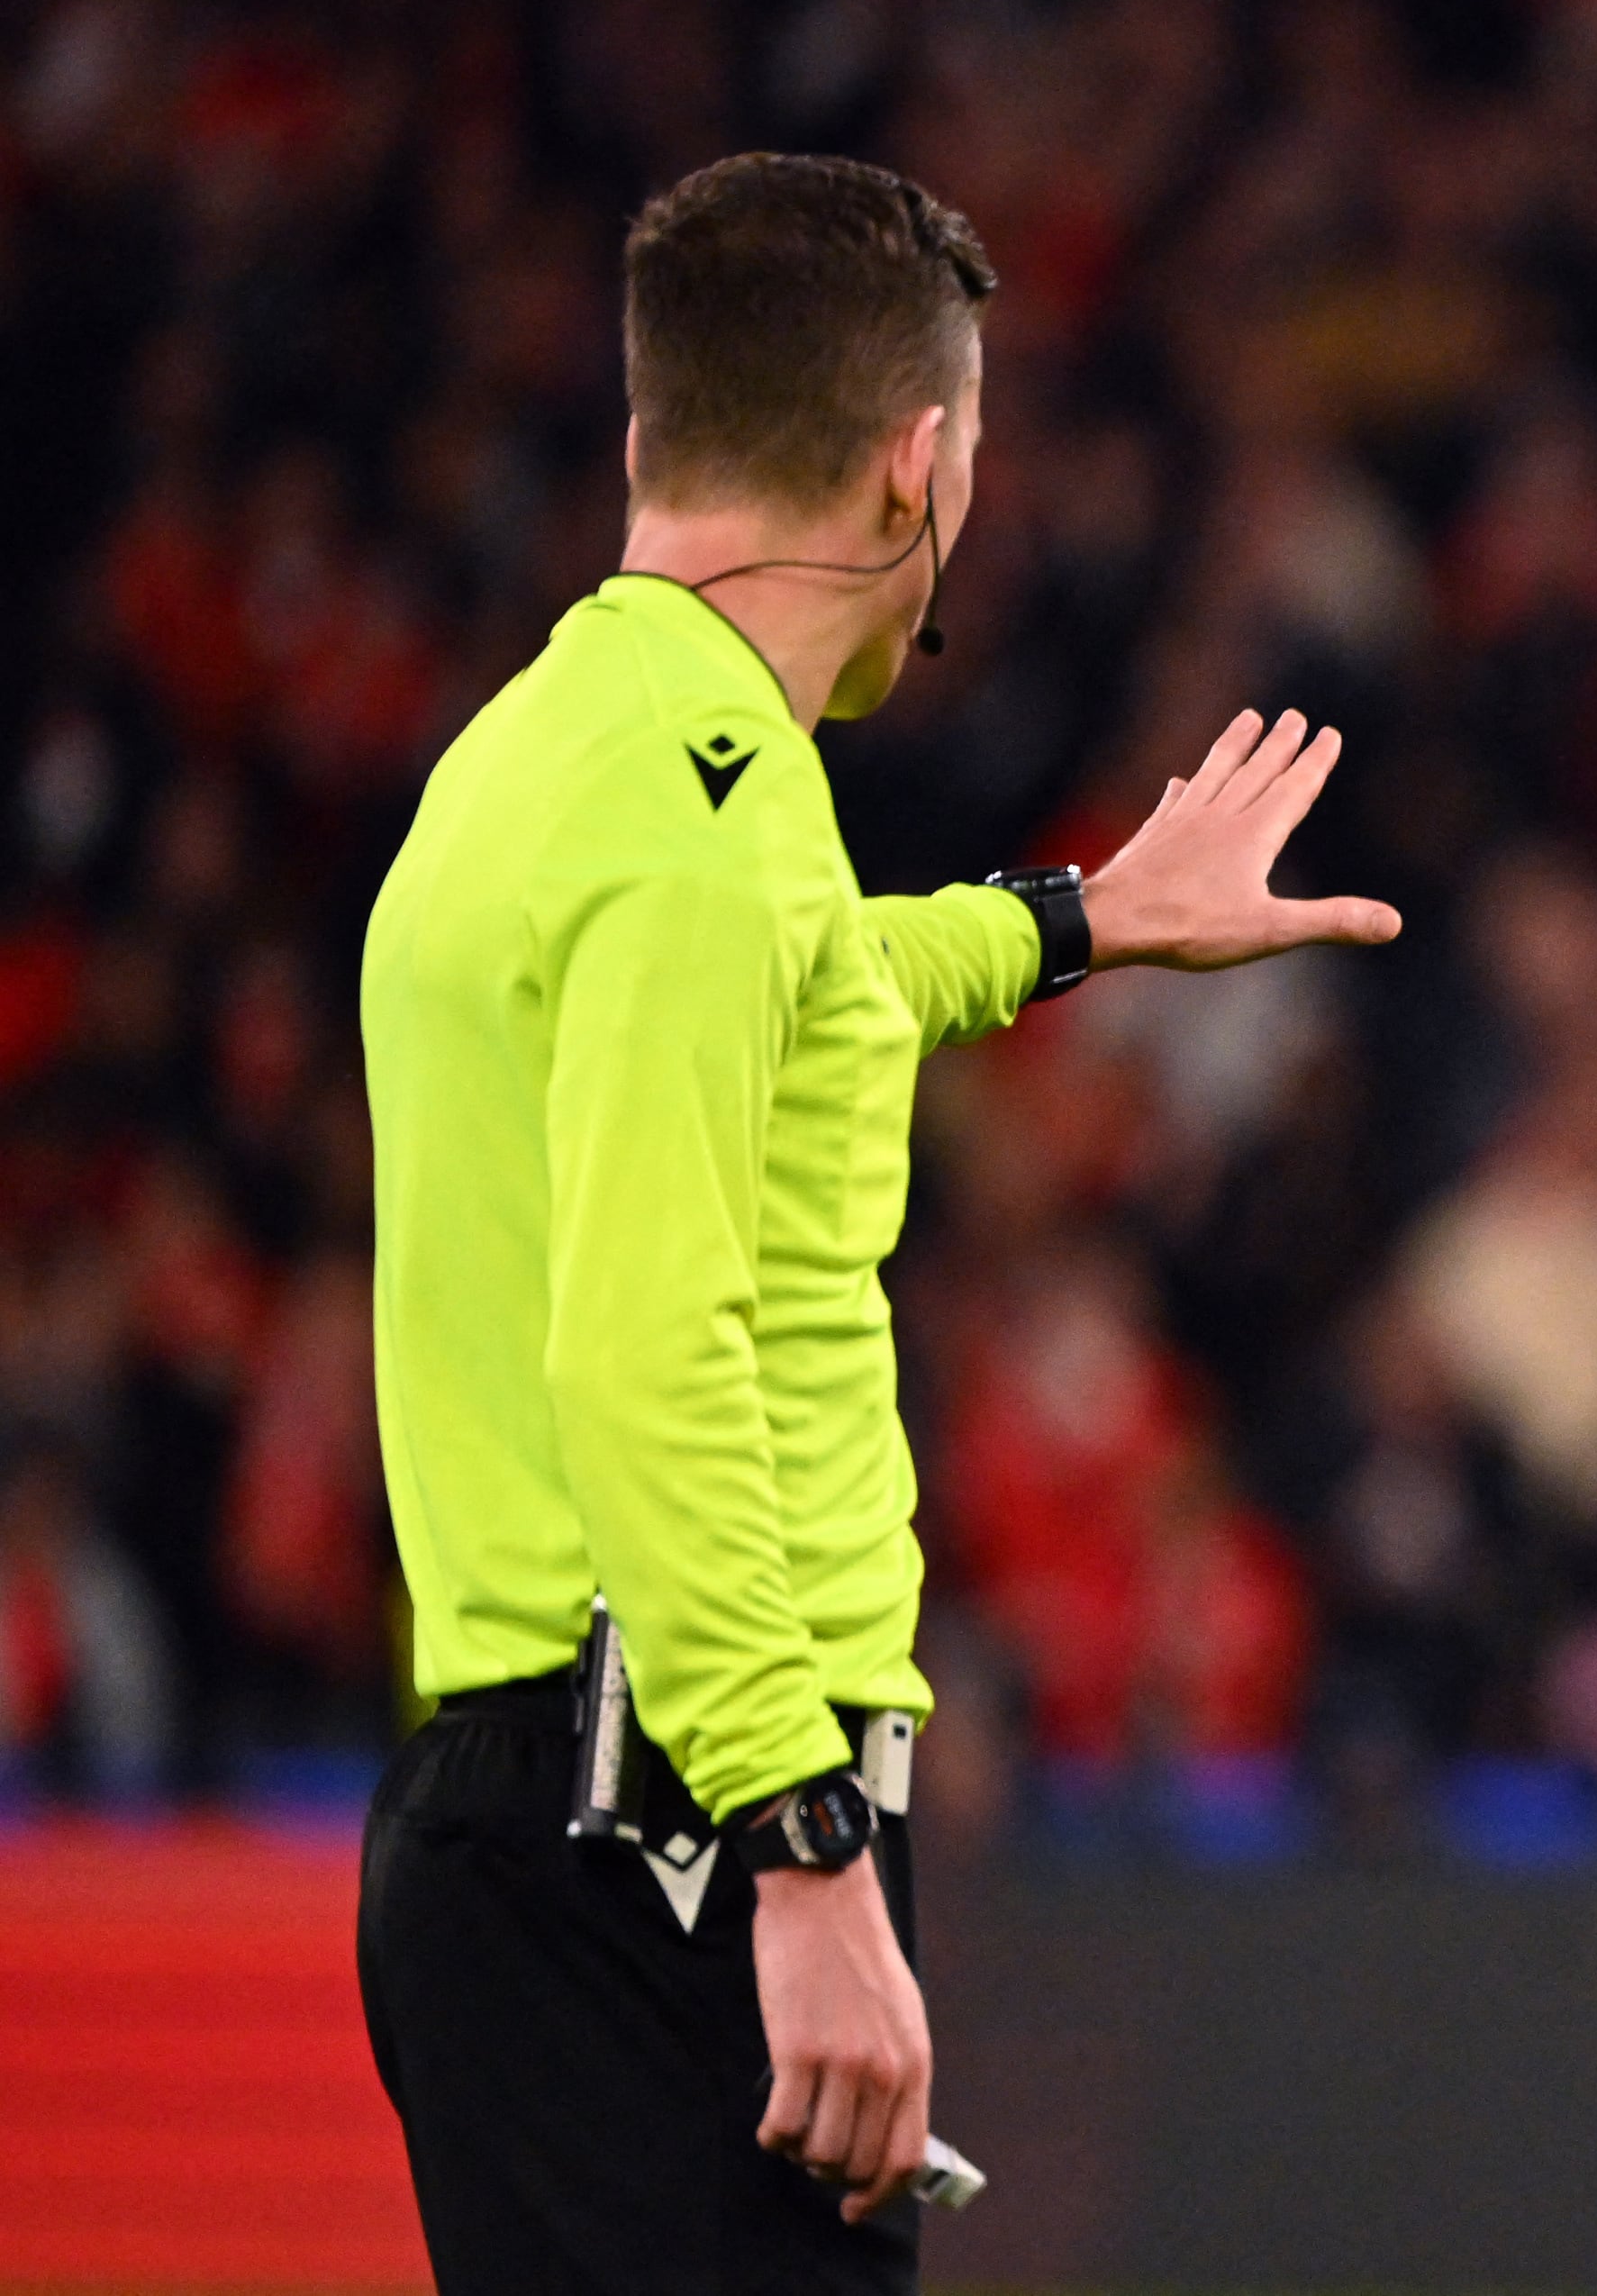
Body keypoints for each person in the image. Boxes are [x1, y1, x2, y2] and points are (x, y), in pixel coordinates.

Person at [354, 153, 1400, 2291]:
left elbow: (815, 979)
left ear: (658, 439)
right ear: (917, 468)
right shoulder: (705, 829)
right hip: (662, 1823)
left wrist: (1083, 920)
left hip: (559, 1806)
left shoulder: (564, 754)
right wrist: (803, 1844)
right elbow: (643, 1349)